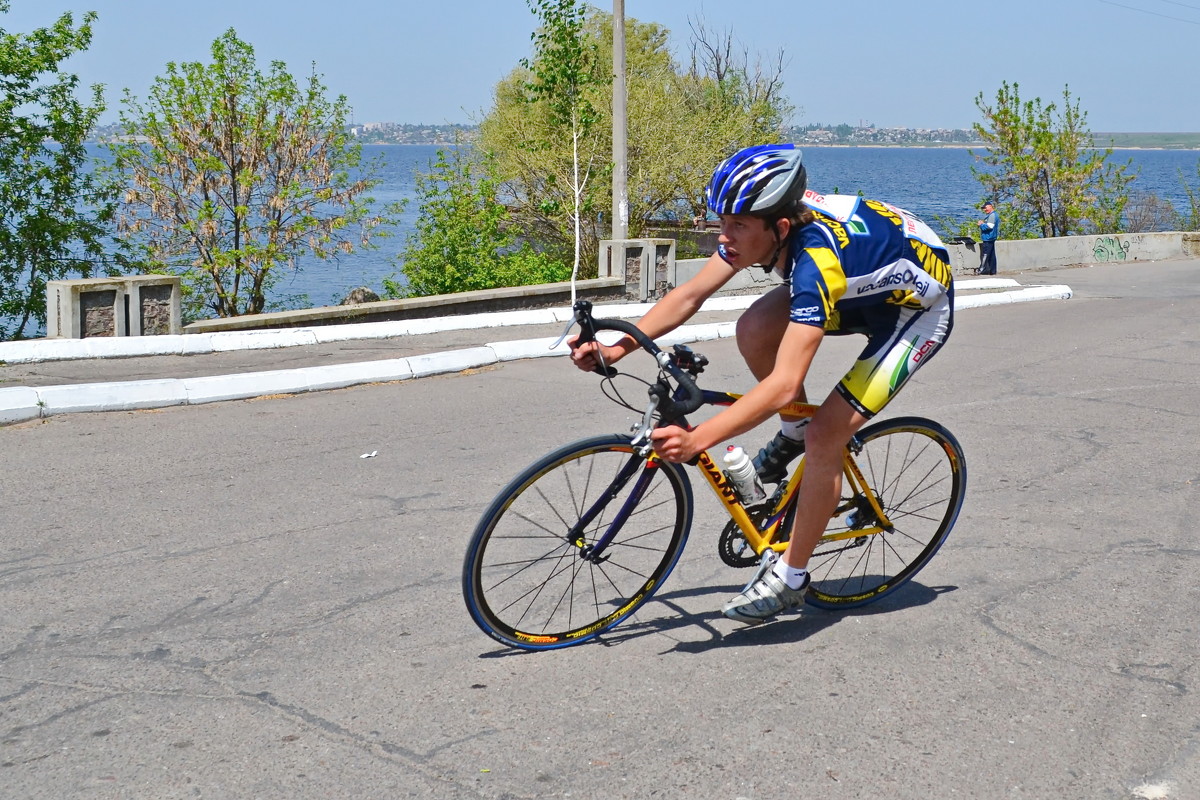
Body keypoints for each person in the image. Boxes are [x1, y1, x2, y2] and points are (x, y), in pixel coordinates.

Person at [569, 144, 954, 624]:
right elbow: (690, 293)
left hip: (914, 314)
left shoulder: (815, 263)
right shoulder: (763, 225)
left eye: (737, 226)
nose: (722, 237)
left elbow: (784, 384)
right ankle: (793, 433)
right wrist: (615, 348)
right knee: (752, 329)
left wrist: (697, 439)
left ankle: (791, 578)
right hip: (865, 282)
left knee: (825, 435)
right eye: (722, 221)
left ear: (781, 228)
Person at [977, 200, 999, 275]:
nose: (984, 209)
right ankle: (993, 271)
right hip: (991, 238)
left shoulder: (992, 215)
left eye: (985, 207)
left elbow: (990, 226)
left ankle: (982, 269)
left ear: (990, 206)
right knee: (992, 256)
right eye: (983, 208)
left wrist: (981, 225)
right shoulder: (994, 215)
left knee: (986, 254)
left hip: (988, 238)